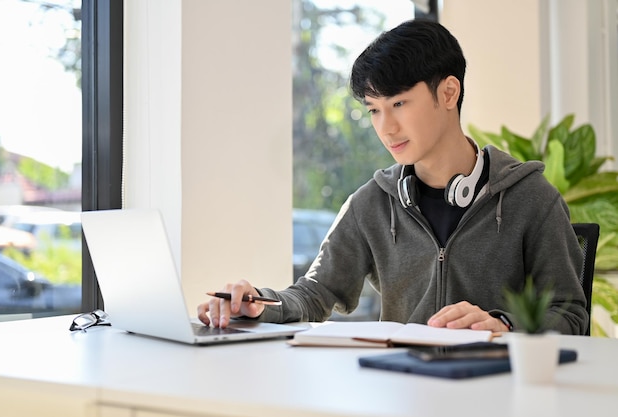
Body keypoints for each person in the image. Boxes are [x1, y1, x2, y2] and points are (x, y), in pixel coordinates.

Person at [197, 19, 588, 335]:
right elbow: (315, 294)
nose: (386, 127)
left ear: (449, 93)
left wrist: (503, 324)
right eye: (374, 110)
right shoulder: (372, 202)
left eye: (399, 103)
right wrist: (259, 304)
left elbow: (570, 314)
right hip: (401, 392)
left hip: (496, 395)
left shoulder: (530, 198)